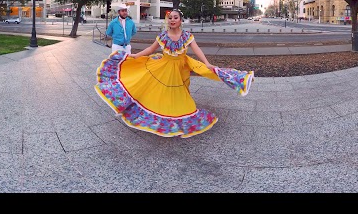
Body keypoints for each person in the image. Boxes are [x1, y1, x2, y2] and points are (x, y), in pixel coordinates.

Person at [95, 9, 254, 138]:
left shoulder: (187, 36)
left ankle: (241, 79)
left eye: (175, 17)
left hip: (181, 67)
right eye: (170, 17)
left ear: (180, 20)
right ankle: (154, 110)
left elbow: (197, 50)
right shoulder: (163, 36)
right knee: (153, 86)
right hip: (164, 66)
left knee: (206, 74)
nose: (172, 20)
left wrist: (207, 63)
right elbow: (151, 49)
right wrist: (135, 56)